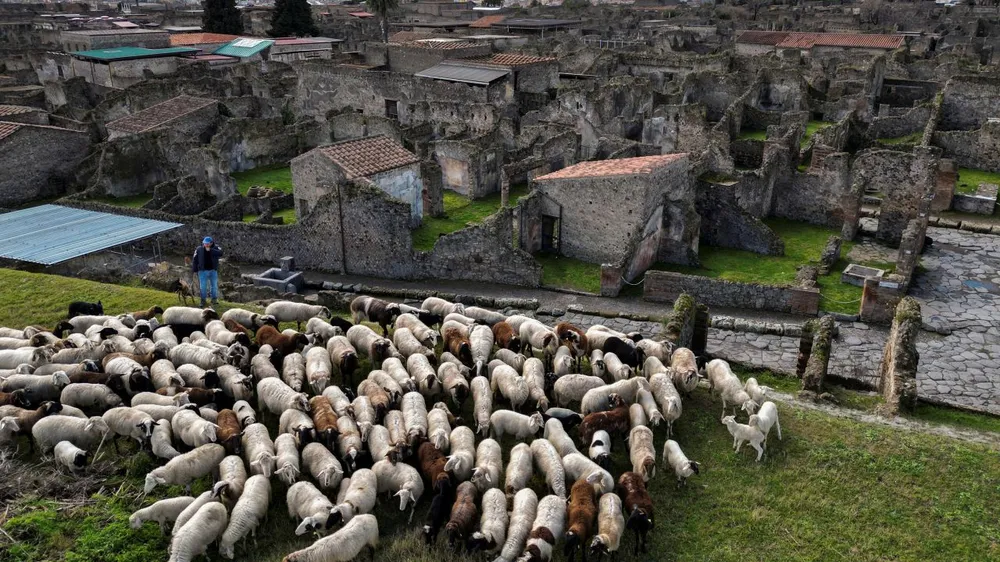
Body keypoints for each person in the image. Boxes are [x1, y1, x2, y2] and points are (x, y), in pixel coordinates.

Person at [192, 236, 223, 308]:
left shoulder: (216, 247)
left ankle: (214, 300)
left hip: (213, 270)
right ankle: (203, 300)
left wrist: (211, 250)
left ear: (211, 243)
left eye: (207, 243)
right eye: (204, 243)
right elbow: (195, 259)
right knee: (203, 287)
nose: (205, 245)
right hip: (202, 271)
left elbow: (221, 253)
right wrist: (194, 269)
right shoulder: (199, 249)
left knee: (214, 286)